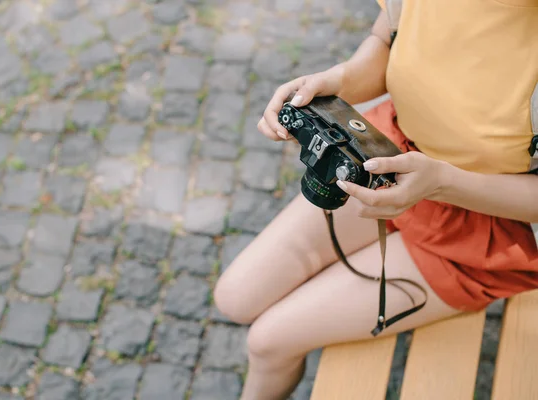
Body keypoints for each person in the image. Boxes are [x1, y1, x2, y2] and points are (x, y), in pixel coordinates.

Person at [213, 0, 538, 399]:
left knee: (268, 341)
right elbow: (387, 39)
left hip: (482, 227)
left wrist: (440, 183)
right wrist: (338, 80)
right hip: (385, 151)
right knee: (235, 296)